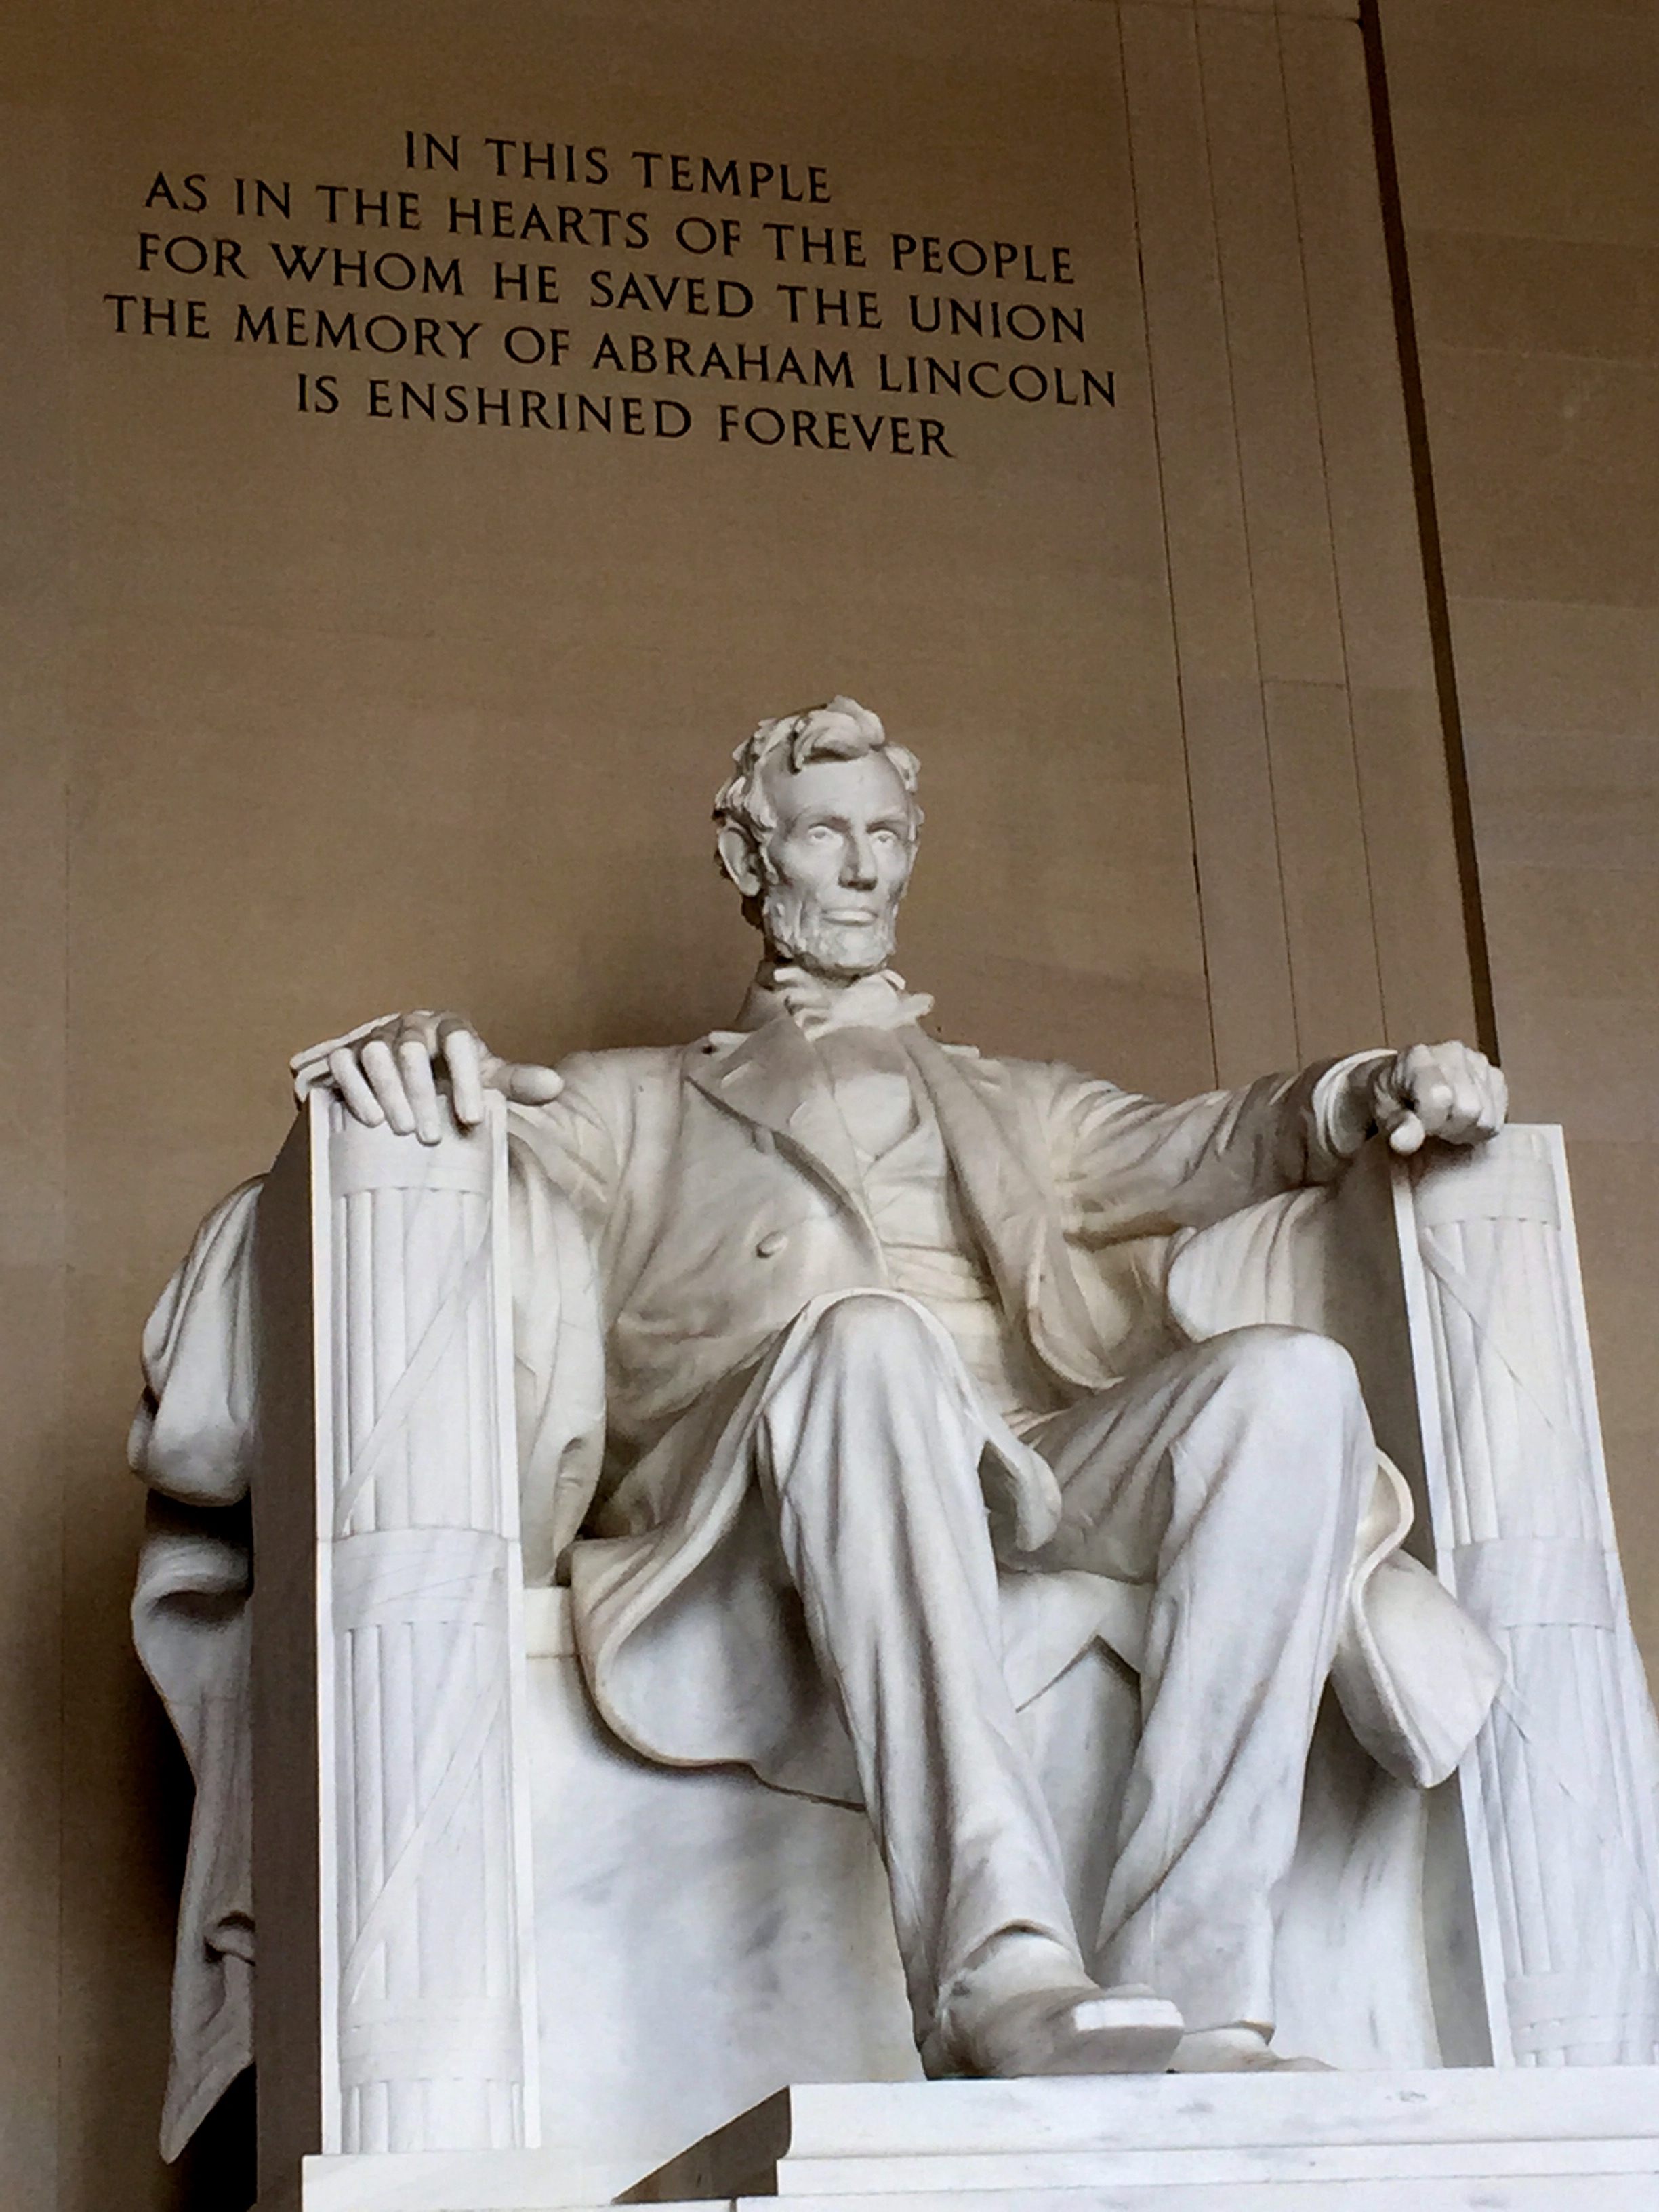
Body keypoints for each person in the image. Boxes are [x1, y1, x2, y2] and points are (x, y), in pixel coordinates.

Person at [289, 697, 1504, 2082]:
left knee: (1291, 1383)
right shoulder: (634, 1103)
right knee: (869, 1341)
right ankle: (998, 1972)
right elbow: (481, 1124)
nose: (865, 868)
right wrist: (413, 1049)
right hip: (769, 1474)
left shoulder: (1019, 1102)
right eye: (825, 835)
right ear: (750, 860)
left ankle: (1203, 1986)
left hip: (1022, 1457)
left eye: (887, 834)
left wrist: (1376, 1087)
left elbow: (1221, 1140)